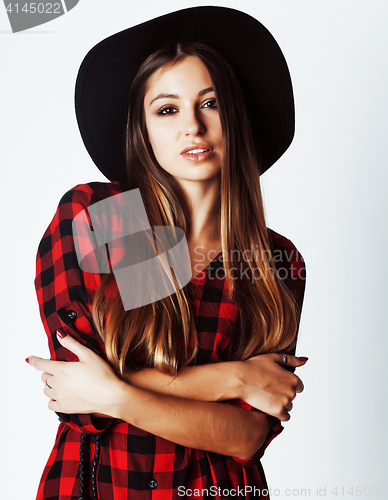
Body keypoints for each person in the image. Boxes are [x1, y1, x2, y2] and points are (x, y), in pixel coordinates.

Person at [27, 6, 307, 500]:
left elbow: (246, 437)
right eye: (167, 109)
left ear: (235, 118)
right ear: (144, 129)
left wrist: (118, 393)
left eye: (211, 103)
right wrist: (237, 377)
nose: (193, 128)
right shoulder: (110, 216)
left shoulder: (273, 260)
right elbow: (81, 398)